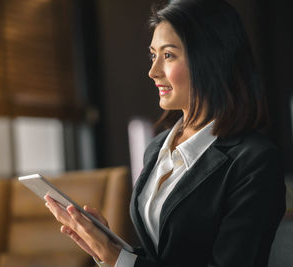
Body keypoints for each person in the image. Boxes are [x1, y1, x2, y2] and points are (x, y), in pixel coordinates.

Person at [44, 0, 286, 266]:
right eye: (153, 55)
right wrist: (109, 249)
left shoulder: (255, 161)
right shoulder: (157, 148)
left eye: (168, 55)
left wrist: (118, 259)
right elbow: (166, 257)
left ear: (210, 58)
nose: (153, 71)